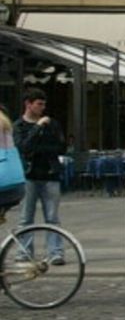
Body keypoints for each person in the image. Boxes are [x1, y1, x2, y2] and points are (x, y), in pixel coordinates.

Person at [13, 89, 67, 263]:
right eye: (39, 104)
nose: (42, 108)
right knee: (25, 217)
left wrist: (39, 148)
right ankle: (24, 252)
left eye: (44, 104)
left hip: (50, 175)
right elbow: (23, 147)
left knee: (52, 217)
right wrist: (37, 128)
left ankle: (55, 252)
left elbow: (60, 146)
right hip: (29, 175)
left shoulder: (52, 124)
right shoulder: (19, 126)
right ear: (28, 104)